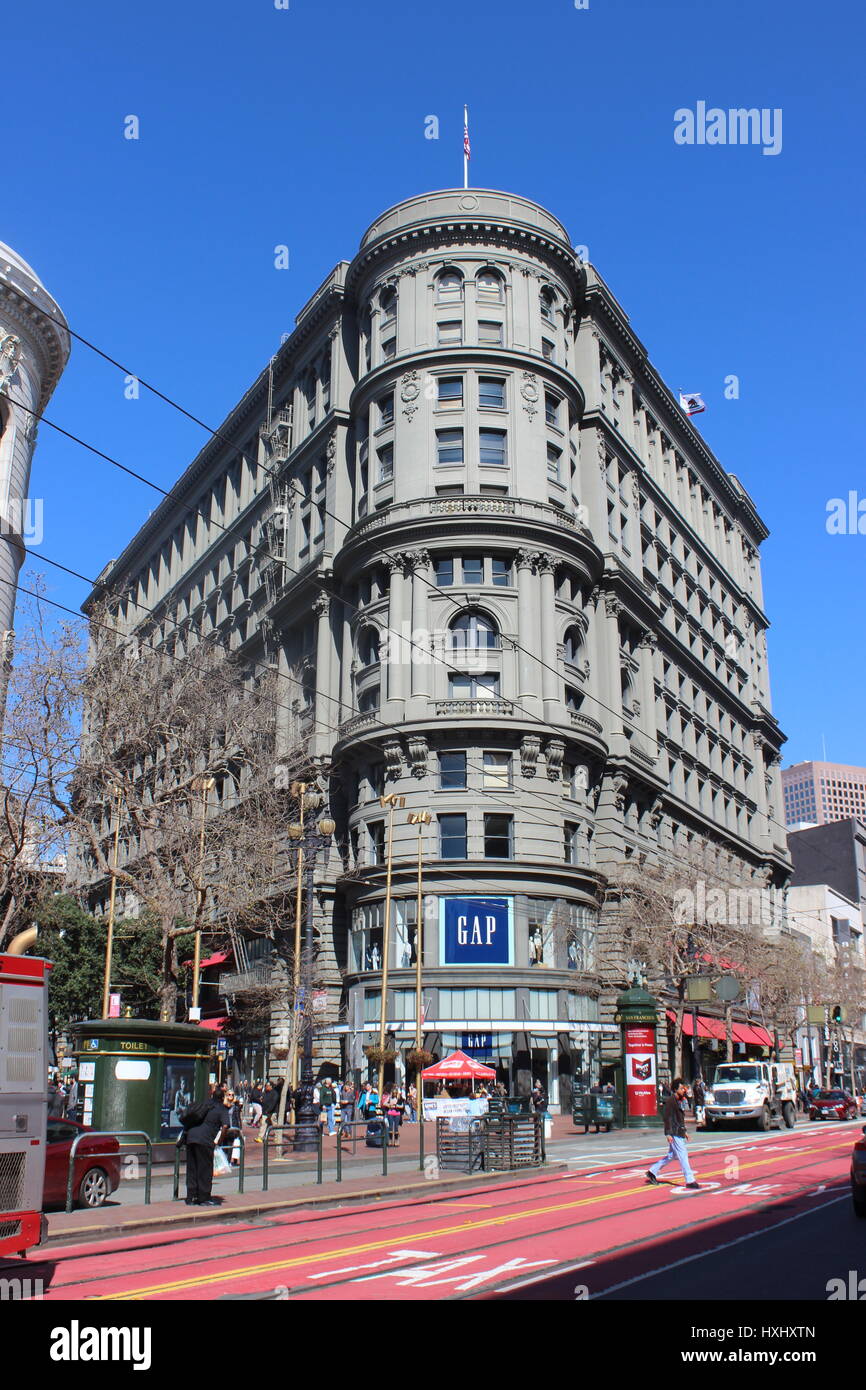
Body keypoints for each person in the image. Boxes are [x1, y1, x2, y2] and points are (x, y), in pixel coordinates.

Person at [646, 1078, 700, 1190]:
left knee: (672, 1156)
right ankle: (690, 1180)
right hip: (674, 1132)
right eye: (681, 1088)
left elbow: (679, 1118)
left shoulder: (679, 1100)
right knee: (683, 1155)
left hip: (678, 1131)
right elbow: (667, 1118)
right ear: (675, 1089)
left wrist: (684, 1131)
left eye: (684, 1088)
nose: (683, 1090)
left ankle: (652, 1171)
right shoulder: (671, 1101)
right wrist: (668, 1134)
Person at [184, 1085, 230, 1206]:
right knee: (204, 1169)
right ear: (222, 1098)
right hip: (205, 1140)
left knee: (192, 1168)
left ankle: (191, 1197)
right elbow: (225, 1126)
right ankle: (203, 1198)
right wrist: (219, 1141)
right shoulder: (222, 1109)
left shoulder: (204, 1103)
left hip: (191, 1137)